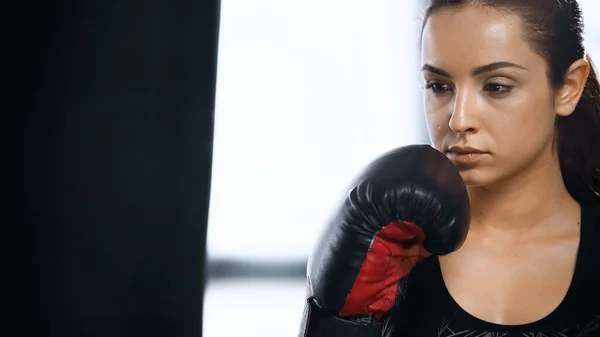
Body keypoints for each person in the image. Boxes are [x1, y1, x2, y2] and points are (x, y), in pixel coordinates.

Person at [298, 1, 600, 336]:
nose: (458, 120)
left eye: (496, 86)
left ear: (569, 87)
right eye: (439, 86)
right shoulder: (383, 243)